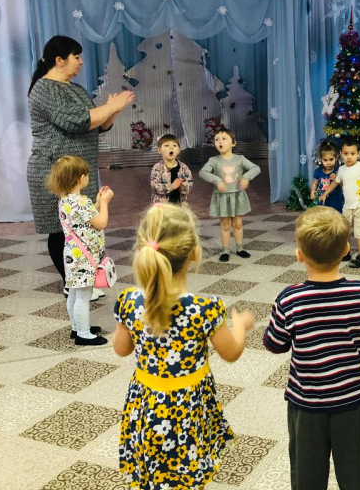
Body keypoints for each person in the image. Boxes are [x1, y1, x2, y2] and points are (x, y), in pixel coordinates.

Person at [113, 203, 256, 489]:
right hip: (188, 408)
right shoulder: (204, 309)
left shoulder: (128, 300)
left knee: (152, 470)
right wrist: (240, 326)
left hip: (146, 405)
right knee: (188, 470)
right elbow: (231, 353)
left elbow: (121, 349)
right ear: (194, 253)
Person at [263, 206, 360, 490]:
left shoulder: (289, 299)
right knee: (357, 474)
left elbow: (275, 344)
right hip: (353, 399)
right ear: (346, 250)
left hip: (306, 403)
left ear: (299, 255)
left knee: (307, 475)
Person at [27, 35, 134, 297]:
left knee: (84, 227)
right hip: (55, 172)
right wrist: (108, 106)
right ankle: (71, 283)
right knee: (60, 229)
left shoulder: (76, 89)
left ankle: (84, 279)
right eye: (76, 56)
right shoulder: (43, 89)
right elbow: (77, 121)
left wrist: (113, 110)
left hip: (80, 174)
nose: (81, 62)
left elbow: (96, 125)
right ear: (59, 60)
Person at [45, 155, 112, 345]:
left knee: (74, 293)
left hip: (72, 254)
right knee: (83, 296)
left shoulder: (66, 199)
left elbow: (86, 218)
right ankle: (83, 334)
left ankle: (77, 327)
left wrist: (97, 202)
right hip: (84, 257)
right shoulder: (81, 202)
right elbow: (101, 222)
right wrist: (105, 203)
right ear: (80, 178)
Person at [199, 128, 261, 261]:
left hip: (237, 196)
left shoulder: (240, 159)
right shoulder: (213, 160)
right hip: (222, 197)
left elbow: (256, 168)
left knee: (238, 223)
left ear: (233, 143)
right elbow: (203, 172)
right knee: (225, 224)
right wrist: (217, 180)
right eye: (217, 139)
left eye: (224, 139)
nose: (220, 142)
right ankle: (225, 250)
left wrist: (246, 177)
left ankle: (240, 248)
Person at [319, 139, 360, 268]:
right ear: (341, 154)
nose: (349, 157)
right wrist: (325, 193)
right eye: (346, 154)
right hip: (347, 206)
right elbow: (335, 183)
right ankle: (346, 253)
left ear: (358, 154)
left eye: (352, 153)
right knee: (345, 231)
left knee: (358, 232)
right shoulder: (341, 169)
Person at [150, 134, 193, 205]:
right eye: (167, 145)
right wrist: (171, 187)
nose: (171, 148)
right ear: (159, 150)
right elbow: (155, 186)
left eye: (174, 145)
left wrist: (182, 186)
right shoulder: (157, 168)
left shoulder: (184, 167)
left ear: (178, 150)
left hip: (180, 204)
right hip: (162, 206)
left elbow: (189, 183)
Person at [310, 141, 343, 213]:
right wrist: (312, 191)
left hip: (335, 202)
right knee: (322, 216)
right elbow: (315, 183)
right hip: (321, 200)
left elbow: (343, 186)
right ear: (321, 159)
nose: (328, 163)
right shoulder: (318, 171)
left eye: (331, 159)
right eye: (325, 160)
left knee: (334, 217)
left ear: (336, 158)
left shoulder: (338, 171)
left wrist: (337, 179)